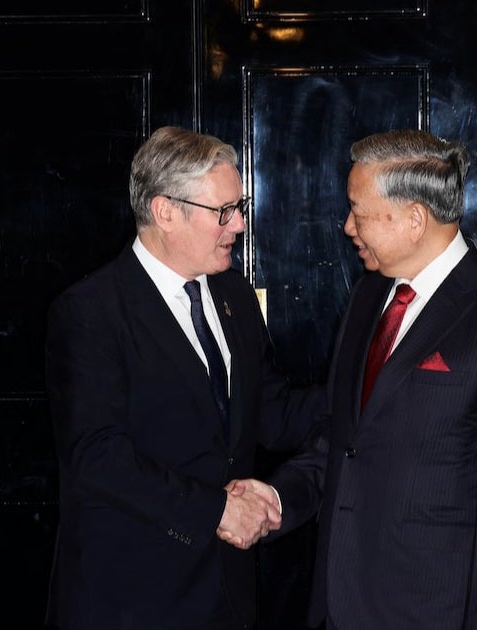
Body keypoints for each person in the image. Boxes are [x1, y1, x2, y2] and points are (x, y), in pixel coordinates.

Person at [228, 129, 477, 629]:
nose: (346, 226)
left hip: (433, 614)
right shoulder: (366, 300)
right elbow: (341, 441)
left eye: (358, 211)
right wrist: (275, 498)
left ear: (414, 219)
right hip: (339, 608)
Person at [45, 126, 320, 630]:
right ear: (165, 211)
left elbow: (272, 413)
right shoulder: (92, 312)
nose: (238, 225)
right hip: (132, 597)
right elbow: (97, 457)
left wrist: (372, 387)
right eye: (224, 211)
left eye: (240, 206)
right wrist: (216, 511)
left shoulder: (233, 294)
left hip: (226, 593)